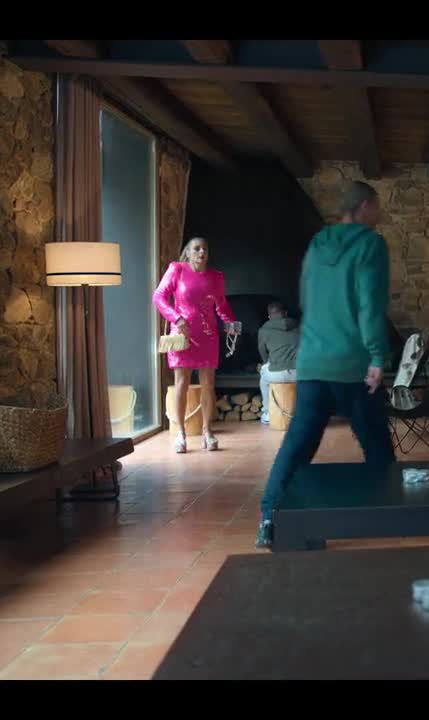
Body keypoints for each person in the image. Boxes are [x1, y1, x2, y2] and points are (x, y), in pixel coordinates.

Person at [256, 181, 394, 549]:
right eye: (376, 207)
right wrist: (377, 356)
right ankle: (383, 517)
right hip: (352, 365)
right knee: (378, 448)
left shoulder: (318, 244)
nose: (378, 214)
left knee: (297, 446)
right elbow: (370, 304)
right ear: (365, 207)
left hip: (314, 362)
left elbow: (307, 300)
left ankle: (269, 519)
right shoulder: (370, 244)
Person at [152, 237, 238, 454]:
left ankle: (208, 432)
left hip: (208, 335)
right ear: (188, 252)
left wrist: (230, 323)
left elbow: (221, 306)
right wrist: (176, 318)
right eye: (197, 249)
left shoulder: (216, 277)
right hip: (183, 335)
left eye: (205, 249)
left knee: (208, 384)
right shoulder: (177, 270)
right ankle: (180, 433)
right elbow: (159, 297)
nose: (202, 252)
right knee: (181, 383)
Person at [257, 301, 301, 425]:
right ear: (285, 313)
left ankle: (267, 413)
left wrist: (267, 363)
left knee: (263, 373)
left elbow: (262, 352)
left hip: (276, 374)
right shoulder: (299, 327)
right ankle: (303, 413)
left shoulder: (263, 330)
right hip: (300, 373)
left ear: (269, 316)